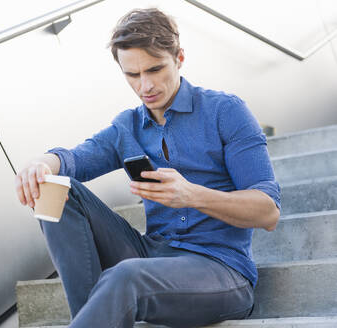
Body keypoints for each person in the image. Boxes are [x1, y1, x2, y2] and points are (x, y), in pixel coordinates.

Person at [15, 7, 280, 328]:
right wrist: (42, 163)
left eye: (155, 69)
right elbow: (75, 159)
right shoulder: (127, 127)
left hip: (220, 269)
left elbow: (268, 213)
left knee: (126, 276)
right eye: (133, 75)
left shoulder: (226, 111)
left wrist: (192, 195)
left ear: (179, 57)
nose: (145, 86)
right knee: (53, 189)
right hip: (151, 256)